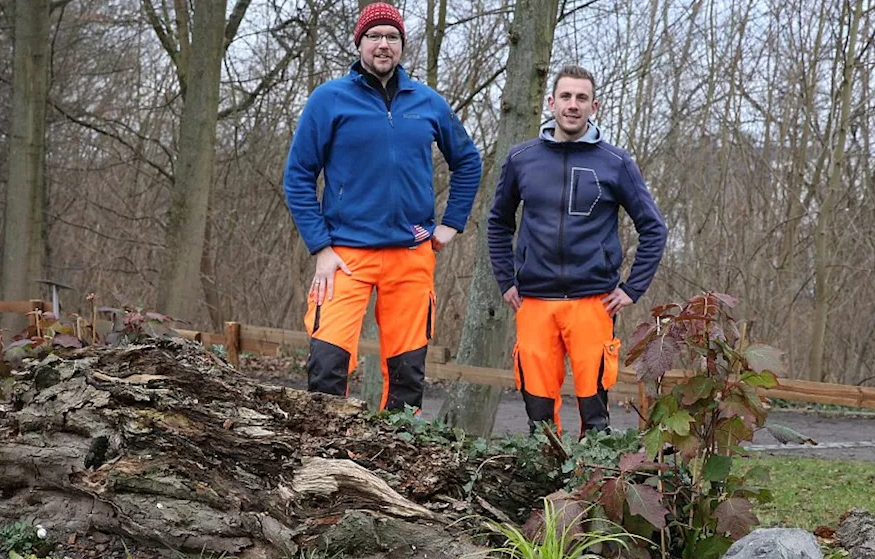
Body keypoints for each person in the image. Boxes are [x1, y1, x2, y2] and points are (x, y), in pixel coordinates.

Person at [283, 2, 482, 411]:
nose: (383, 44)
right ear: (359, 43)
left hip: (411, 255)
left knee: (408, 377)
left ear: (402, 45)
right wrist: (320, 248)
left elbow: (468, 161)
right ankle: (329, 460)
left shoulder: (426, 102)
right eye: (374, 36)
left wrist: (452, 224)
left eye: (392, 37)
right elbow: (298, 176)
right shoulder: (329, 100)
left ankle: (394, 465)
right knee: (326, 367)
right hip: (344, 256)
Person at [487, 64, 667, 436]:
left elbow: (653, 228)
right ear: (551, 103)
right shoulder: (521, 158)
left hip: (594, 302)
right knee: (538, 420)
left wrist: (632, 289)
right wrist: (506, 280)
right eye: (565, 96)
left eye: (581, 98)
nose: (573, 104)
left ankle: (593, 486)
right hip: (534, 300)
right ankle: (543, 484)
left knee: (595, 419)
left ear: (594, 106)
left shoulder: (616, 163)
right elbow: (498, 222)